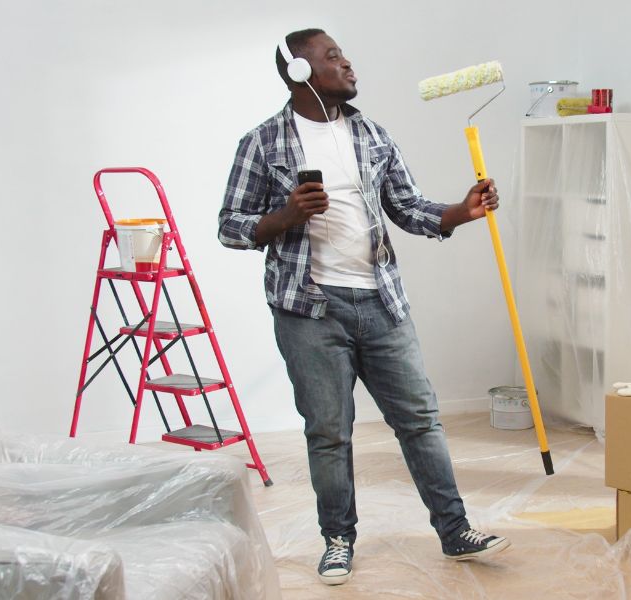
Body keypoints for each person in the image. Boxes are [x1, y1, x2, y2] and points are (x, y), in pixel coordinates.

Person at [217, 28, 511, 586]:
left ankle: (455, 531)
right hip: (309, 312)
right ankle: (338, 539)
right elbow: (229, 227)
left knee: (421, 421)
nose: (347, 63)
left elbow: (407, 207)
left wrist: (459, 212)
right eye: (332, 56)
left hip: (381, 303)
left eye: (343, 54)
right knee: (329, 432)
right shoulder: (263, 142)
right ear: (299, 72)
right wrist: (283, 217)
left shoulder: (372, 133)